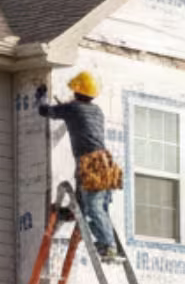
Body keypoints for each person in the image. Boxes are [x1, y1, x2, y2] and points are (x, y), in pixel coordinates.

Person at [36, 72, 124, 260]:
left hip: (91, 163)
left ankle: (108, 246)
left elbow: (44, 111)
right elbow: (78, 120)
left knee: (94, 208)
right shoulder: (96, 110)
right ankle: (72, 213)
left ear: (76, 91)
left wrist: (41, 95)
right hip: (104, 162)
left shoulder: (74, 109)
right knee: (93, 204)